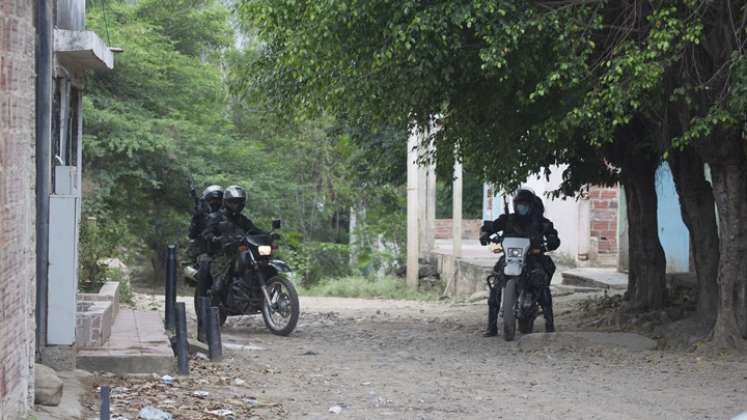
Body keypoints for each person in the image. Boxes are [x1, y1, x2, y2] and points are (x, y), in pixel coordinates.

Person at [479, 188, 560, 336]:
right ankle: (491, 327)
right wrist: (484, 233)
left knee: (541, 282)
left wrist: (551, 241)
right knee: (496, 283)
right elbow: (490, 226)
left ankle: (550, 324)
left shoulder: (540, 221)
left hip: (533, 256)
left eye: (524, 204)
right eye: (519, 204)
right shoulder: (507, 219)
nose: (521, 207)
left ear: (531, 206)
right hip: (510, 257)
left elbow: (551, 233)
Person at [202, 185, 266, 301]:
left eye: (239, 202)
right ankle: (213, 310)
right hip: (222, 254)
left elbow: (255, 230)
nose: (236, 205)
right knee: (218, 286)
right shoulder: (215, 217)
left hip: (241, 251)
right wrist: (217, 239)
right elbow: (207, 234)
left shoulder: (242, 219)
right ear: (226, 202)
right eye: (233, 202)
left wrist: (268, 235)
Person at [186, 184, 224, 265]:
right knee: (205, 262)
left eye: (218, 201)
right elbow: (192, 234)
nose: (215, 203)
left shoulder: (227, 215)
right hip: (204, 251)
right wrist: (197, 218)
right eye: (212, 201)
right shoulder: (200, 215)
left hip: (224, 251)